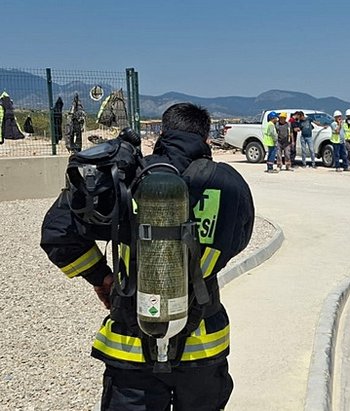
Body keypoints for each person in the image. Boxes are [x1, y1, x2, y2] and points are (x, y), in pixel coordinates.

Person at [40, 102, 255, 409]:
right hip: (203, 346)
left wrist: (102, 279)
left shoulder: (125, 177)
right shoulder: (229, 184)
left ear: (162, 135)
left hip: (132, 345)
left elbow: (58, 232)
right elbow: (238, 239)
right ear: (206, 138)